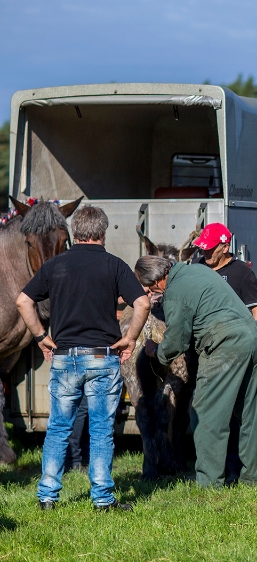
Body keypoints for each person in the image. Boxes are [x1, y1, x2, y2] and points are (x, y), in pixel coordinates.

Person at [16, 205, 151, 512]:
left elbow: (23, 301)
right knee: (101, 429)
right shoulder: (114, 265)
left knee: (58, 427)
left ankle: (47, 497)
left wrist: (41, 337)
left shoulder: (55, 266)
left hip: (64, 358)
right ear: (103, 233)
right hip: (102, 358)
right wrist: (129, 338)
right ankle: (103, 500)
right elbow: (142, 303)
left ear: (74, 232)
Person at [136, 256, 257, 488]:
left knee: (205, 412)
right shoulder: (197, 270)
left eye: (149, 288)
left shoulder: (174, 291)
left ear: (158, 281)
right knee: (249, 414)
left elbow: (176, 341)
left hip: (225, 344)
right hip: (252, 338)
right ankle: (253, 480)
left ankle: (209, 482)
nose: (151, 292)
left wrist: (156, 351)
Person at [193, 222, 257, 333]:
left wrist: (254, 343)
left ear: (225, 248)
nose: (205, 252)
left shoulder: (241, 272)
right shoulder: (196, 266)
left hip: (230, 337)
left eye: (210, 248)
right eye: (203, 248)